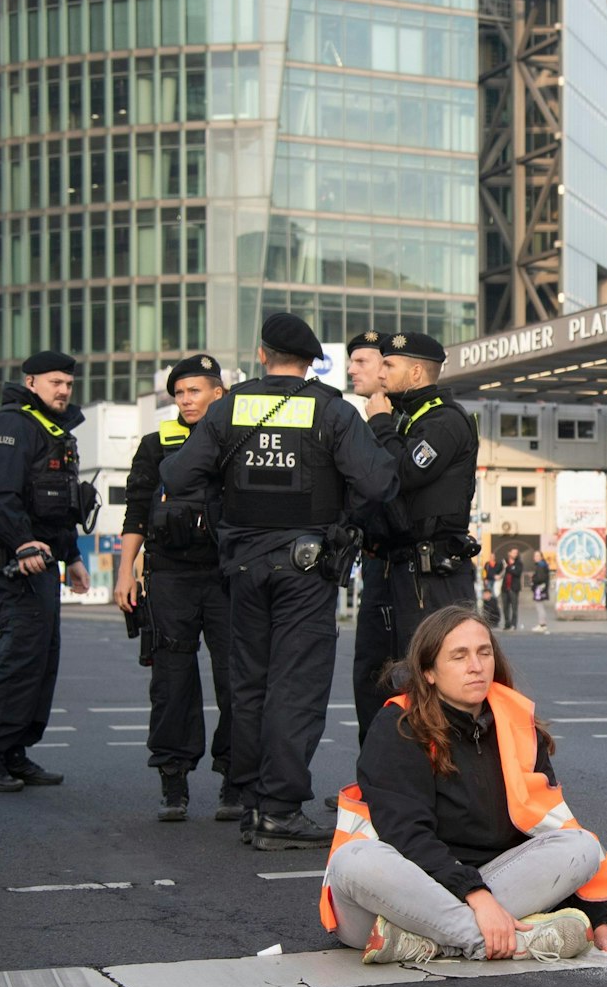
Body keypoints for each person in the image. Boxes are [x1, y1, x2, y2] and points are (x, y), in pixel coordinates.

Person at [161, 313, 397, 849]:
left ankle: (248, 799)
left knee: (249, 687)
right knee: (297, 689)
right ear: (311, 361)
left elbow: (176, 476)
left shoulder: (230, 407)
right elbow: (380, 480)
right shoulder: (331, 410)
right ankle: (280, 810)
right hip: (304, 570)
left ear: (262, 354)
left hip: (241, 567)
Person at [320, 606, 607, 963]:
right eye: (459, 656)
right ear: (428, 671)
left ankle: (431, 940)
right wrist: (476, 897)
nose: (476, 666)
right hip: (396, 897)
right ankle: (496, 940)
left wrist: (600, 921)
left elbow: (552, 824)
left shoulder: (517, 726)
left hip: (493, 885)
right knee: (353, 859)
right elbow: (406, 835)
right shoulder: (398, 725)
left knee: (580, 846)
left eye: (484, 652)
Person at [115, 354, 240, 820]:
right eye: (180, 393)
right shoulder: (156, 443)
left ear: (218, 393)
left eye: (195, 391)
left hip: (227, 578)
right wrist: (126, 570)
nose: (186, 400)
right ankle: (174, 780)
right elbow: (136, 512)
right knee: (171, 681)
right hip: (169, 577)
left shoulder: (238, 440)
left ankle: (234, 778)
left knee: (236, 681)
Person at [0, 350, 93, 793]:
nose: (63, 390)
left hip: (41, 561)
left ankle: (13, 750)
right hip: (12, 561)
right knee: (21, 658)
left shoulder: (50, 430)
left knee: (42, 658)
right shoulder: (11, 425)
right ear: (31, 381)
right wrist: (21, 543)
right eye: (55, 382)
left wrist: (73, 557)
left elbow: (57, 505)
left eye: (69, 384)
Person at [366, 331, 480, 678]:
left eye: (388, 364)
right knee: (410, 672)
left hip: (435, 572)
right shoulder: (409, 417)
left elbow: (406, 472)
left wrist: (381, 425)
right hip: (407, 566)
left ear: (416, 373)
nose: (380, 372)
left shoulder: (444, 420)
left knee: (440, 671)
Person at [344, 332, 397, 740]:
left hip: (407, 563)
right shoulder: (357, 420)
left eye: (362, 361)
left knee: (405, 673)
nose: (350, 369)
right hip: (376, 564)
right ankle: (374, 774)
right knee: (368, 674)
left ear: (386, 367)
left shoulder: (403, 421)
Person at [495, 545, 523, 631]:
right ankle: (507, 624)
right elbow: (497, 571)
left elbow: (517, 573)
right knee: (505, 607)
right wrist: (502, 566)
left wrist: (508, 567)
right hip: (504, 588)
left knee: (514, 607)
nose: (515, 554)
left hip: (514, 588)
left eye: (516, 553)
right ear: (509, 553)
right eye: (513, 552)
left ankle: (514, 625)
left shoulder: (519, 563)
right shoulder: (504, 562)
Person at [529, 550, 551, 633]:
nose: (536, 557)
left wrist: (533, 579)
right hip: (541, 588)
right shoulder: (542, 565)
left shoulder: (541, 565)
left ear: (541, 557)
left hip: (540, 588)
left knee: (540, 607)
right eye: (535, 556)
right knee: (539, 606)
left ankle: (542, 624)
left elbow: (540, 578)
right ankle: (541, 623)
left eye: (537, 556)